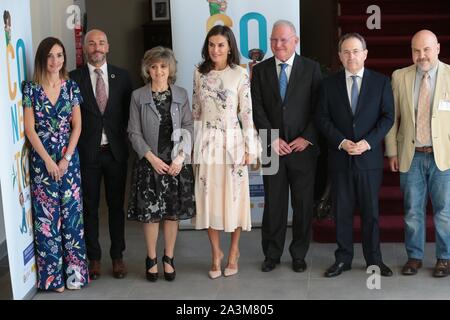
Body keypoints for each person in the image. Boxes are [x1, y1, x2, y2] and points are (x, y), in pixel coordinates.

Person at [315, 33, 394, 277]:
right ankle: (343, 259)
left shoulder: (380, 83)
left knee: (371, 213)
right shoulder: (328, 84)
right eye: (346, 52)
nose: (351, 56)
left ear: (365, 54)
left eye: (356, 51)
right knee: (342, 212)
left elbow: (388, 117)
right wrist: (341, 142)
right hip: (340, 158)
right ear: (340, 56)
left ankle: (374, 260)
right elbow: (322, 118)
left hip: (368, 160)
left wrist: (367, 143)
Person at [251, 20, 321, 273]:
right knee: (274, 203)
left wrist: (307, 137)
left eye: (283, 39)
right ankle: (272, 253)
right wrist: (271, 138)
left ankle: (299, 253)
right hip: (272, 149)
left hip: (303, 149)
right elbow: (256, 108)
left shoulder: (312, 69)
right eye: (273, 40)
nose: (277, 45)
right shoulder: (260, 71)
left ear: (296, 41)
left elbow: (319, 108)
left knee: (302, 205)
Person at [193, 25, 259, 279]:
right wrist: (191, 148)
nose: (215, 49)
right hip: (206, 145)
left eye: (220, 45)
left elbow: (247, 113)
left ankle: (233, 252)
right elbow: (196, 112)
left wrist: (250, 148)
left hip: (233, 145)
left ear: (230, 46)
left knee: (234, 200)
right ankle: (216, 254)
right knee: (208, 199)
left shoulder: (240, 75)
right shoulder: (199, 73)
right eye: (211, 44)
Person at [23, 37, 88, 291]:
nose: (55, 60)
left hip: (68, 162)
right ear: (42, 58)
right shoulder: (31, 89)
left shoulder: (71, 87)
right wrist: (49, 161)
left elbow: (77, 126)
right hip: (42, 163)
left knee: (72, 218)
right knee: (47, 222)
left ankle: (75, 277)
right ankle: (53, 280)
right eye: (50, 55)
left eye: (59, 55)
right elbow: (30, 129)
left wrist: (66, 158)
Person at [385, 30, 450, 277]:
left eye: (426, 49)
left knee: (444, 211)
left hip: (443, 156)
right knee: (412, 210)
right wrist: (391, 151)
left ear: (438, 48)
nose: (421, 55)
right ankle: (415, 256)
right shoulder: (400, 77)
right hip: (411, 154)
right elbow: (392, 119)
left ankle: (445, 257)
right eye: (416, 50)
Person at [127, 47, 195, 282]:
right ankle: (151, 258)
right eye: (154, 67)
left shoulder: (181, 94)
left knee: (172, 214)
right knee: (151, 215)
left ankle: (169, 258)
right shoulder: (138, 96)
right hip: (150, 164)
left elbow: (188, 126)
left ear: (170, 69)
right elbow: (133, 132)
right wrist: (151, 158)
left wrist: (180, 157)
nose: (159, 71)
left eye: (163, 66)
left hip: (176, 164)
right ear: (147, 69)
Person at [69, 29, 133, 280]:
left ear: (108, 47)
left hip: (116, 153)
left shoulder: (123, 77)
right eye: (91, 43)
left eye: (101, 43)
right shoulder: (73, 78)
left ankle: (118, 257)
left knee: (117, 207)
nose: (96, 47)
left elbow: (131, 114)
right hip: (87, 154)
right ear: (85, 49)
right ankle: (93, 258)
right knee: (90, 208)